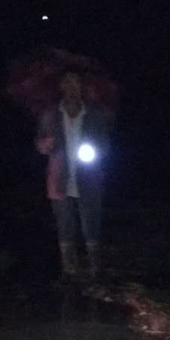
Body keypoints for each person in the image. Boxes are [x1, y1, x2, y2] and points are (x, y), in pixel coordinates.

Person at [35, 71, 113, 280]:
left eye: (76, 83)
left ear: (81, 88)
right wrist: (45, 145)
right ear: (61, 86)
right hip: (59, 178)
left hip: (88, 178)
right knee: (65, 225)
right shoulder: (51, 114)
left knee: (91, 223)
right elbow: (39, 141)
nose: (72, 88)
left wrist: (96, 150)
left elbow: (105, 144)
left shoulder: (94, 114)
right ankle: (70, 270)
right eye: (68, 83)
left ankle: (96, 269)